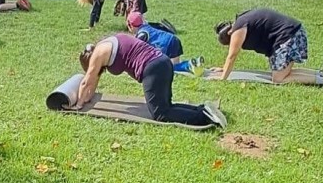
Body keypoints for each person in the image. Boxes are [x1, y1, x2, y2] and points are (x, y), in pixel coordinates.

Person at [76, 33, 227, 128]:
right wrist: (88, 97)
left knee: (160, 114)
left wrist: (78, 104)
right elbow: (93, 79)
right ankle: (203, 109)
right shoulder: (107, 42)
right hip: (163, 62)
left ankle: (205, 117)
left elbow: (87, 80)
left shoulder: (97, 55)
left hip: (153, 69)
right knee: (167, 106)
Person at [211, 8, 323, 87]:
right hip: (293, 32)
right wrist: (223, 69)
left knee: (278, 79)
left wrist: (223, 78)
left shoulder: (238, 29)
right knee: (284, 73)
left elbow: (232, 56)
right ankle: (321, 73)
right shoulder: (242, 20)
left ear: (229, 33)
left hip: (288, 37)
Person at [126, 11, 204, 75]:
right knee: (175, 65)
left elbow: (136, 53)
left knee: (166, 68)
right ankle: (195, 63)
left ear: (130, 25)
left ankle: (188, 65)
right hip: (174, 39)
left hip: (166, 44)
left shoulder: (142, 34)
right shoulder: (147, 26)